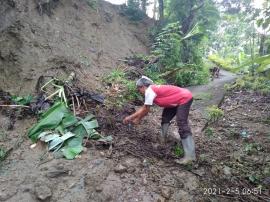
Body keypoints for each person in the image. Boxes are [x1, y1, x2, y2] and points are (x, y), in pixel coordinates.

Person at [123, 76, 196, 164]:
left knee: (182, 123)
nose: (140, 92)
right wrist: (137, 118)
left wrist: (131, 118)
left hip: (184, 98)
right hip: (174, 101)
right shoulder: (152, 90)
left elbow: (145, 109)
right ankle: (162, 141)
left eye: (139, 89)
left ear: (142, 87)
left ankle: (190, 156)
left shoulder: (149, 91)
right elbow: (145, 108)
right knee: (165, 118)